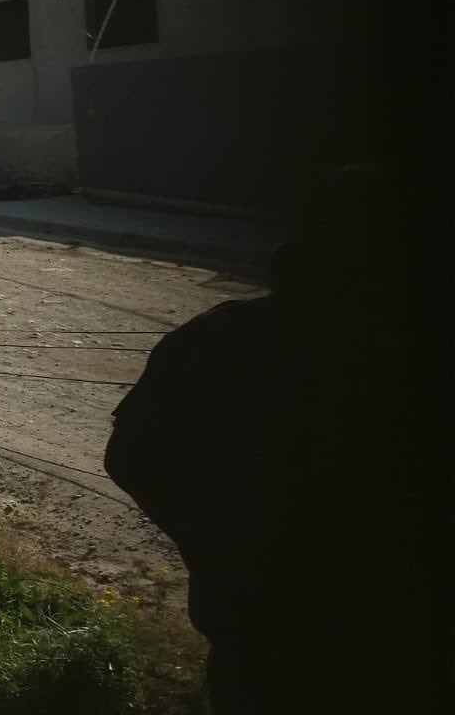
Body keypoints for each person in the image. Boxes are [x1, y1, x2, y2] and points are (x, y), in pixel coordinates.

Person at [104, 166, 443, 712]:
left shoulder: (212, 339)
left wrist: (214, 543)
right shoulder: (409, 364)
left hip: (251, 645)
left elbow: (128, 458)